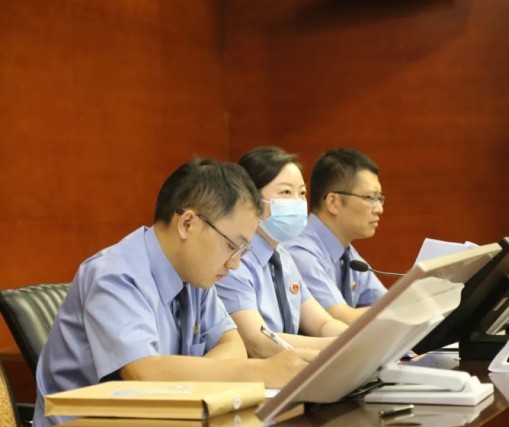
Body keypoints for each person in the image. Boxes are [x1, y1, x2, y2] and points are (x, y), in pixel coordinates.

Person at [34, 158, 317, 427]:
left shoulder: (195, 275)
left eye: (243, 251)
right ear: (187, 223)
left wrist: (182, 376)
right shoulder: (115, 274)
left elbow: (233, 346)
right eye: (233, 246)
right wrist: (263, 372)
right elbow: (144, 374)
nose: (234, 264)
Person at [216, 147, 348, 358]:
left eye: (302, 193)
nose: (298, 202)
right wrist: (341, 348)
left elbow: (322, 323)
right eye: (286, 192)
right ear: (251, 198)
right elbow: (258, 342)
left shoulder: (282, 256)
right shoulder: (233, 259)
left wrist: (356, 338)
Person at [285, 148, 387, 325]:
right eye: (370, 198)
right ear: (333, 202)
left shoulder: (348, 254)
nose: (379, 209)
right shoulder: (299, 252)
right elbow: (341, 318)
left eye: (380, 198)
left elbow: (385, 301)